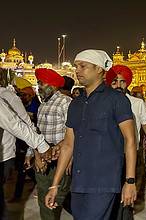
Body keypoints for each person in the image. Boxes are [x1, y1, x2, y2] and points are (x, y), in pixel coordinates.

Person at [45, 49, 137, 220]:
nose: (77, 70)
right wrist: (54, 185)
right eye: (76, 66)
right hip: (79, 182)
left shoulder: (116, 99)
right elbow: (68, 145)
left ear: (99, 69)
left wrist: (130, 181)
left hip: (104, 182)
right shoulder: (76, 104)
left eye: (83, 66)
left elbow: (130, 140)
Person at [105, 64, 146, 218]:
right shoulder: (103, 103)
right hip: (107, 157)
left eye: (122, 81)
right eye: (115, 81)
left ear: (128, 83)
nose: (118, 85)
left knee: (127, 198)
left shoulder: (136, 103)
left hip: (129, 156)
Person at [24, 68, 72, 220]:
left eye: (41, 83)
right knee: (44, 198)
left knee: (56, 197)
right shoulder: (43, 105)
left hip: (60, 158)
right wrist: (31, 154)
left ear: (53, 85)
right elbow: (37, 133)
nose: (39, 87)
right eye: (38, 83)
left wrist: (70, 158)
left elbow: (72, 133)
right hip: (42, 158)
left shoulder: (65, 102)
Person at [9, 77, 40, 202]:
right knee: (23, 167)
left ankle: (17, 196)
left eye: (22, 94)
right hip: (22, 141)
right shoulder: (23, 103)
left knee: (23, 168)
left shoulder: (35, 105)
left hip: (30, 140)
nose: (21, 97)